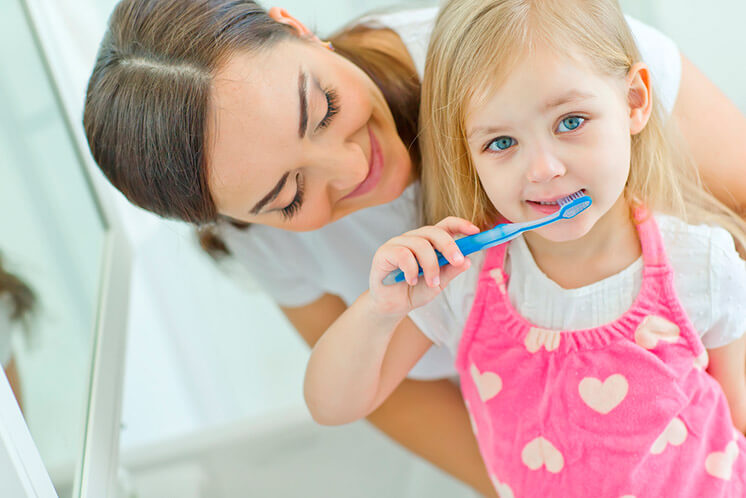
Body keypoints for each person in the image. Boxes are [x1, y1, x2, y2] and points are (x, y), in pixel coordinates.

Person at [83, 0, 746, 494]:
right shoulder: (455, 282)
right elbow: (354, 396)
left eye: (321, 110)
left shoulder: (539, 65)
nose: (349, 169)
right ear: (229, 219)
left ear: (293, 25)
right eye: (288, 197)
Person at [303, 0, 746, 495]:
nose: (542, 169)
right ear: (468, 154)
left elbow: (739, 419)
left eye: (571, 122)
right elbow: (332, 404)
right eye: (501, 143)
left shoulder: (703, 266)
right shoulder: (460, 281)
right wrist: (377, 310)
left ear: (635, 101)